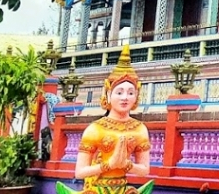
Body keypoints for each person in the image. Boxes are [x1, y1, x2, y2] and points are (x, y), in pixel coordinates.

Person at [65, 45, 153, 194]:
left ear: (137, 96)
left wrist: (126, 164)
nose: (125, 97)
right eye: (119, 92)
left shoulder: (139, 129)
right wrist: (109, 165)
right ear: (108, 94)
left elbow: (144, 171)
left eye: (131, 93)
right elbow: (79, 172)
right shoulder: (96, 128)